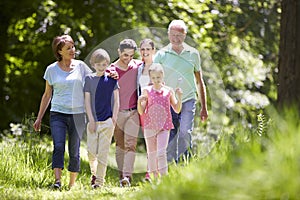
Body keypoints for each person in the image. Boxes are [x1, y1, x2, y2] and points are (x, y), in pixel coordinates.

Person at [33, 34, 92, 189]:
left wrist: (110, 74)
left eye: (73, 46)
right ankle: (57, 181)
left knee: (74, 149)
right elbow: (47, 95)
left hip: (78, 114)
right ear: (59, 52)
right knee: (58, 146)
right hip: (58, 113)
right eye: (68, 48)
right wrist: (39, 118)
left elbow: (95, 80)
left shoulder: (81, 67)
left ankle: (71, 184)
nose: (73, 50)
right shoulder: (51, 70)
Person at [153, 20, 208, 163]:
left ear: (185, 35)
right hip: (168, 101)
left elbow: (199, 81)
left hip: (188, 99)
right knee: (170, 135)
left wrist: (204, 108)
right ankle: (171, 169)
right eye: (173, 35)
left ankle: (184, 165)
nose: (176, 39)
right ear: (168, 34)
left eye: (179, 35)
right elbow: (152, 79)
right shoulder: (161, 54)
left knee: (184, 133)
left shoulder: (193, 54)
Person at [137, 63, 182, 179]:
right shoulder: (146, 90)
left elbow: (177, 109)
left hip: (164, 126)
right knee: (151, 154)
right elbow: (141, 111)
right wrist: (139, 102)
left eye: (158, 77)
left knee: (161, 153)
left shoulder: (168, 91)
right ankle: (153, 178)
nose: (156, 80)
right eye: (153, 78)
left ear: (163, 76)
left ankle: (164, 178)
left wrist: (180, 97)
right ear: (150, 78)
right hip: (149, 127)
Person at [84, 48, 119, 189]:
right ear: (93, 64)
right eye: (98, 64)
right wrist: (91, 120)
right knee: (91, 153)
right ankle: (94, 174)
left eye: (104, 65)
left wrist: (114, 118)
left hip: (107, 121)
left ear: (107, 64)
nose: (101, 67)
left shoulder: (111, 80)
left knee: (103, 153)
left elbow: (117, 100)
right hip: (93, 122)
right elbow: (86, 101)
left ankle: (99, 182)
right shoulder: (89, 79)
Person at [109, 39, 142, 187]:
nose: (128, 59)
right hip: (117, 113)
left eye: (130, 55)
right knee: (120, 145)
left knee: (131, 145)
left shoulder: (138, 66)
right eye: (124, 55)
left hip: (133, 112)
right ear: (119, 52)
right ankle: (121, 175)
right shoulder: (111, 70)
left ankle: (127, 177)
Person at [137, 38, 156, 181]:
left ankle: (153, 173)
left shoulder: (158, 67)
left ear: (153, 51)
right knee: (149, 141)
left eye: (148, 49)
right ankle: (151, 172)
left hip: (156, 109)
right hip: (143, 109)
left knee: (157, 141)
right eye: (142, 49)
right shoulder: (138, 68)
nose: (145, 52)